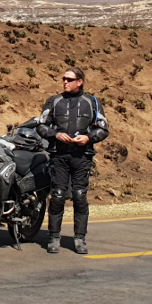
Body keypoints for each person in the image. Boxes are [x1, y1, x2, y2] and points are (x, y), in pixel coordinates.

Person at [36, 66, 109, 254]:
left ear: (80, 82)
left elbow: (103, 129)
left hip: (82, 157)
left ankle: (79, 239)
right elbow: (41, 126)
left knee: (79, 196)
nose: (65, 82)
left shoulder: (92, 102)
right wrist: (55, 135)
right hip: (58, 156)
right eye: (64, 79)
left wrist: (89, 138)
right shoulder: (54, 101)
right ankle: (53, 238)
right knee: (58, 195)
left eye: (69, 79)